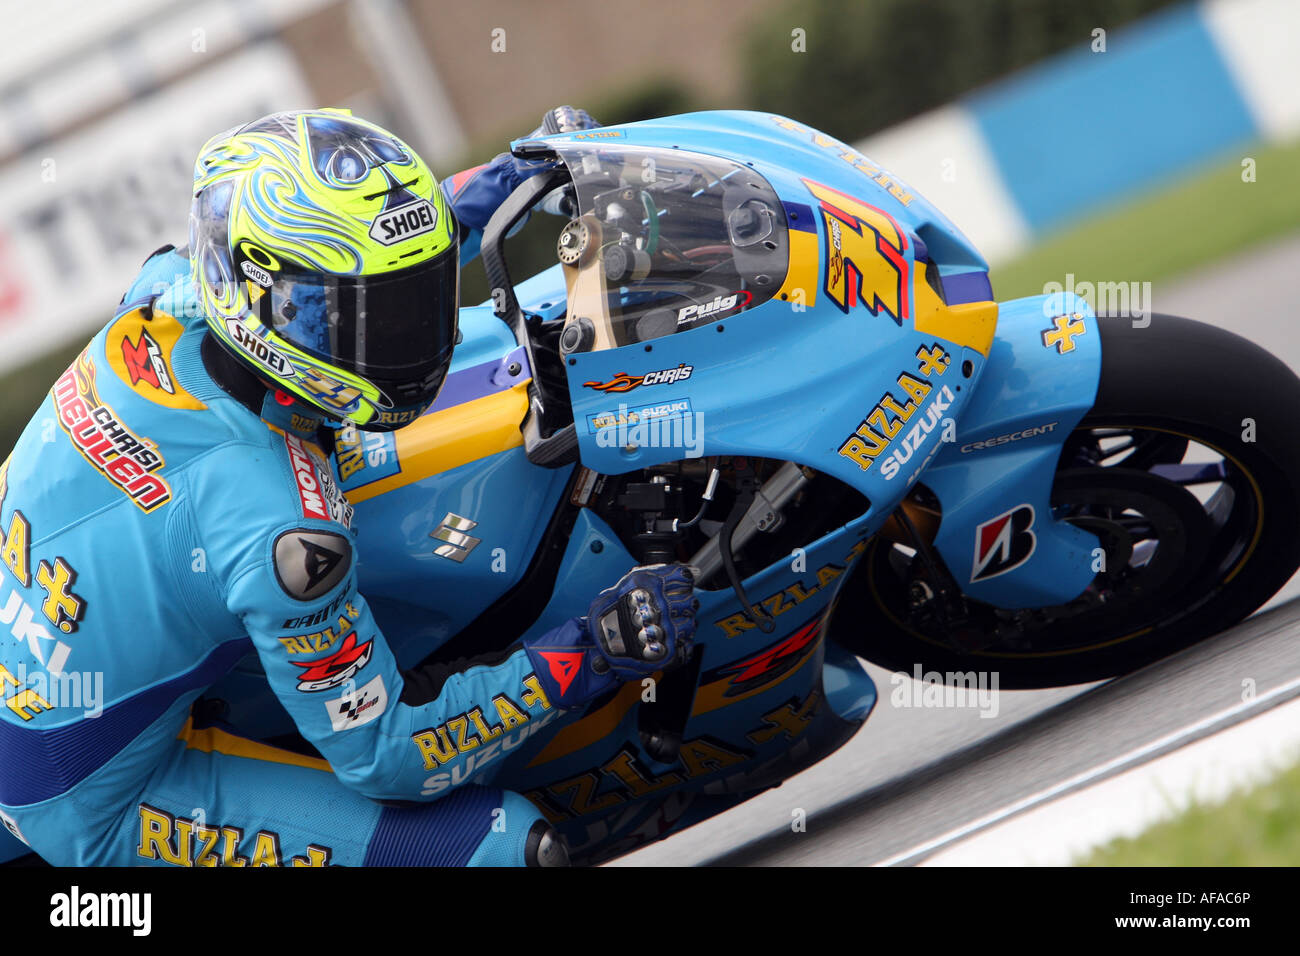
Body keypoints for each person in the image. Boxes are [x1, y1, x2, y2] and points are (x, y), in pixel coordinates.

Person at [0, 107, 697, 867]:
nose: (422, 338)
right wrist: (588, 653)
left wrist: (509, 179)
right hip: (79, 800)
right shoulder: (284, 534)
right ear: (267, 304)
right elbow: (393, 756)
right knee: (503, 850)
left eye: (414, 302)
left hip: (44, 649)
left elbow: (349, 277)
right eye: (376, 323)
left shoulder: (169, 293)